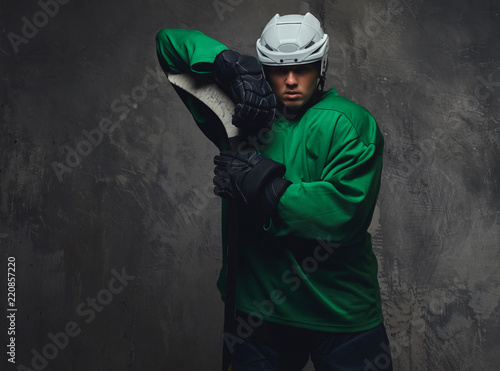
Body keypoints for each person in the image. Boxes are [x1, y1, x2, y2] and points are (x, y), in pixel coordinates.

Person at [156, 12, 393, 371]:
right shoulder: (238, 117)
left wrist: (260, 186)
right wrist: (230, 66)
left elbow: (343, 213)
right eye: (279, 70)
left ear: (321, 65)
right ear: (265, 69)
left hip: (341, 313)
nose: (292, 81)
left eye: (304, 68)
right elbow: (168, 45)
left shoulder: (349, 123)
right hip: (260, 313)